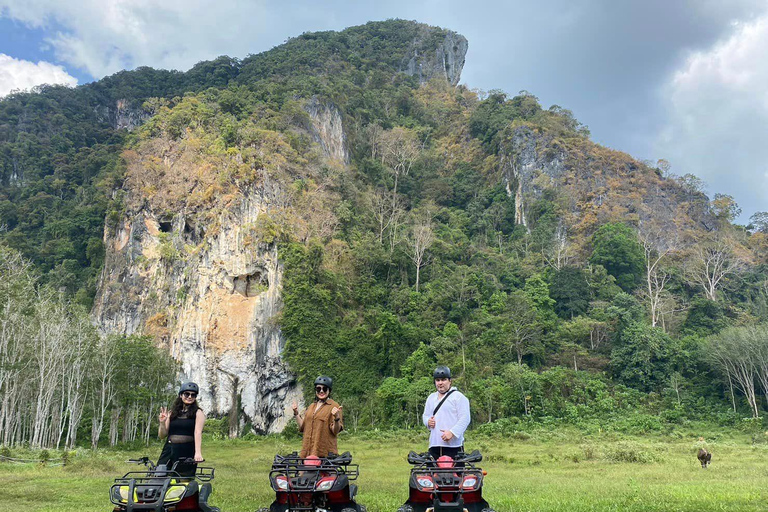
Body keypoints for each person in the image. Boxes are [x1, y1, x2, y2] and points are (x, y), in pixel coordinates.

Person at [158, 382, 206, 476]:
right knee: (160, 476)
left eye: (193, 395)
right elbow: (162, 435)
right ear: (181, 395)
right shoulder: (172, 413)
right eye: (187, 394)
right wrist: (162, 422)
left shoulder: (198, 413)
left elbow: (198, 433)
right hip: (169, 449)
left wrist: (198, 453)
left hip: (187, 450)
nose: (190, 397)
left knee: (184, 480)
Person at [422, 366, 470, 459]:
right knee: (433, 473)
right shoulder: (431, 398)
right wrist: (427, 421)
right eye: (438, 380)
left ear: (450, 381)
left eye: (443, 380)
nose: (440, 383)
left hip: (454, 446)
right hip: (434, 444)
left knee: (455, 473)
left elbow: (465, 418)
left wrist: (452, 433)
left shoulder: (458, 397)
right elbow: (425, 415)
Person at [292, 376, 343, 458]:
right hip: (306, 453)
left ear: (329, 390)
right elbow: (303, 427)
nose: (321, 391)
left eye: (324, 389)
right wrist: (296, 413)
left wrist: (337, 418)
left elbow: (335, 431)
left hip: (324, 454)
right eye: (318, 389)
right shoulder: (311, 406)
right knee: (301, 471)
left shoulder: (334, 406)